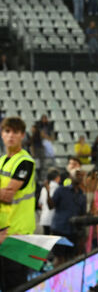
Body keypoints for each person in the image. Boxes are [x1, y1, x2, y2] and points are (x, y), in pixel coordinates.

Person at [0, 117, 36, 290]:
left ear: (22, 135)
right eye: (7, 131)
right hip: (3, 233)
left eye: (15, 132)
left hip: (19, 234)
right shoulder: (1, 161)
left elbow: (7, 195)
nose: (11, 136)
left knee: (17, 285)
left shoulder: (25, 162)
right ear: (2, 134)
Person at [47, 169, 86, 265]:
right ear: (70, 177)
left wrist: (81, 235)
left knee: (71, 259)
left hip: (73, 231)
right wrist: (47, 193)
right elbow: (51, 206)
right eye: (77, 174)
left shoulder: (82, 195)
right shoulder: (61, 190)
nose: (79, 176)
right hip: (60, 229)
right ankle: (56, 279)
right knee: (59, 258)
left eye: (81, 175)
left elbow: (82, 214)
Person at [39, 168, 61, 235]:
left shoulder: (44, 188)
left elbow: (40, 204)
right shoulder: (58, 189)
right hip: (54, 219)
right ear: (57, 178)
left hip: (44, 218)